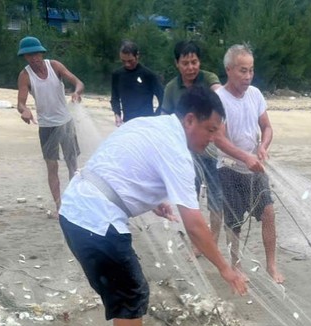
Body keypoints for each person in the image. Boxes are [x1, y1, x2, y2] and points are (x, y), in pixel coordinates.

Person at [58, 86, 247, 326]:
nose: (212, 139)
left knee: (131, 289)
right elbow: (195, 224)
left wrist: (152, 201)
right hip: (95, 220)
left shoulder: (151, 124)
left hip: (76, 212)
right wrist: (225, 269)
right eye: (210, 130)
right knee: (130, 294)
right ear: (189, 121)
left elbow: (123, 165)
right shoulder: (177, 151)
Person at [213, 44, 284, 284]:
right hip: (229, 169)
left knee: (269, 213)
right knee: (233, 222)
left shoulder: (255, 94)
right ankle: (236, 266)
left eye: (251, 70)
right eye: (243, 71)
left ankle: (271, 265)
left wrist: (263, 146)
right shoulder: (218, 99)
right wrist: (245, 157)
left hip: (255, 167)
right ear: (229, 70)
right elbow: (218, 138)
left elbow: (267, 126)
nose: (248, 76)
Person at [162, 41, 224, 250]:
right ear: (177, 63)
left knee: (216, 195)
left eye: (194, 62)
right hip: (186, 152)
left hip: (211, 147)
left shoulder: (209, 79)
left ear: (200, 62)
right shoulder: (172, 88)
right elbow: (165, 116)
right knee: (190, 194)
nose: (190, 68)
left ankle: (213, 240)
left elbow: (219, 92)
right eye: (185, 63)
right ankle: (197, 243)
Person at [16, 36, 85, 218]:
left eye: (36, 54)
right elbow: (21, 103)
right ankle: (59, 206)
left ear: (41, 53)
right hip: (46, 126)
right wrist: (25, 111)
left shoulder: (55, 66)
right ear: (25, 57)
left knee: (73, 163)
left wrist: (77, 92)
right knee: (52, 166)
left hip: (66, 121)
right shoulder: (25, 76)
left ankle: (75, 201)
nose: (34, 58)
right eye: (29, 56)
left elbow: (78, 82)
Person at [110, 40, 163, 126]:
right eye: (123, 61)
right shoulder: (117, 75)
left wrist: (155, 117)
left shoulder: (149, 75)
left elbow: (163, 98)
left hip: (147, 123)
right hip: (127, 122)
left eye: (130, 61)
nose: (127, 64)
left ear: (137, 56)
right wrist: (117, 115)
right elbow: (115, 97)